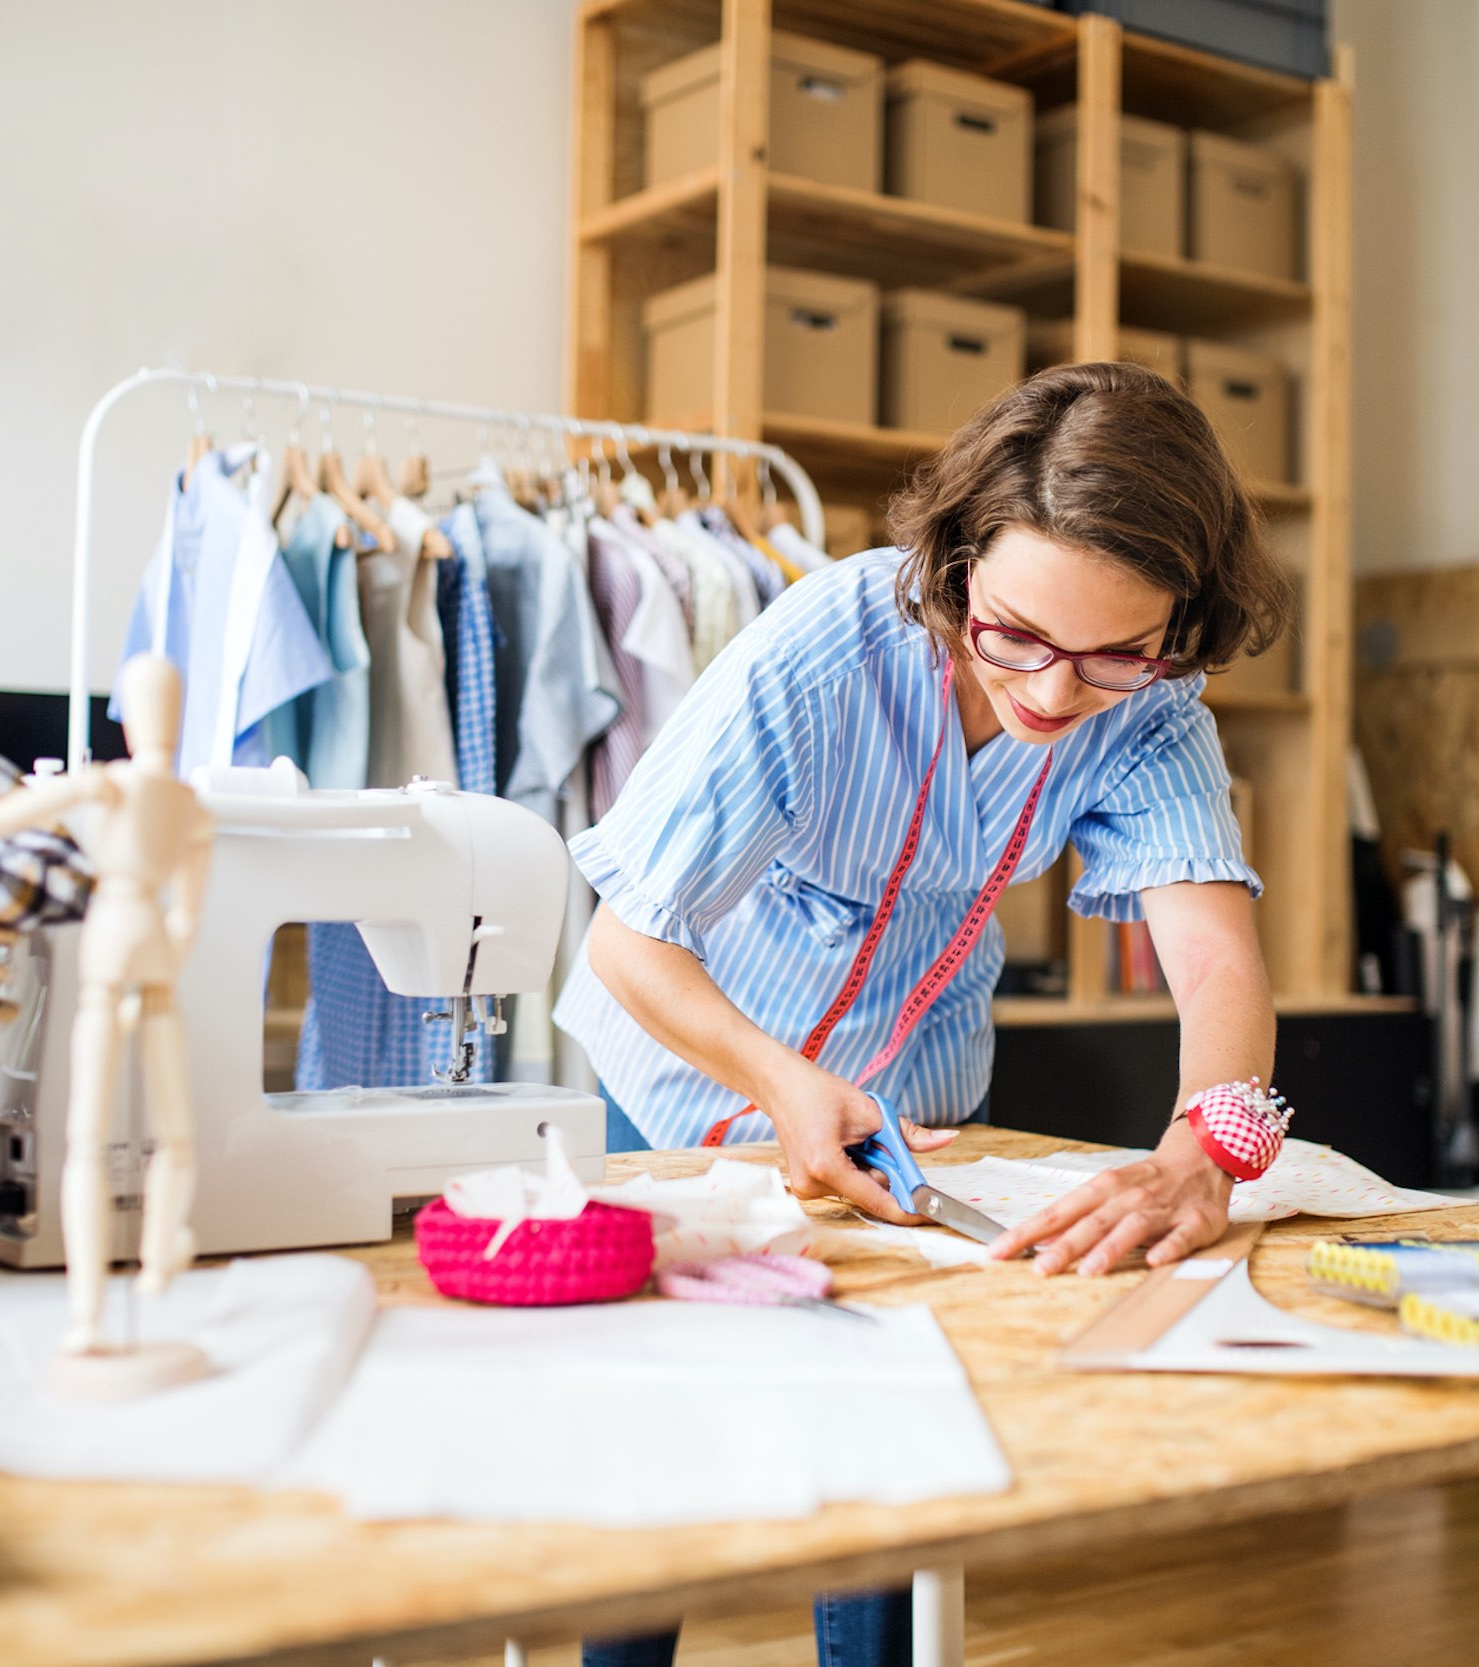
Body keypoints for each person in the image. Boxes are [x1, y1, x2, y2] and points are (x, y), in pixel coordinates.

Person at [552, 362, 1293, 1666]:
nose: (1056, 694)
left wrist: (1206, 1154)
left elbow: (1220, 965)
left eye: (1113, 653)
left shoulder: (1155, 707)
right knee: (658, 1436)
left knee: (893, 1425)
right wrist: (781, 1085)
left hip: (917, 1103)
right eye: (1016, 634)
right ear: (955, 568)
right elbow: (630, 940)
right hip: (683, 1068)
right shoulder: (822, 653)